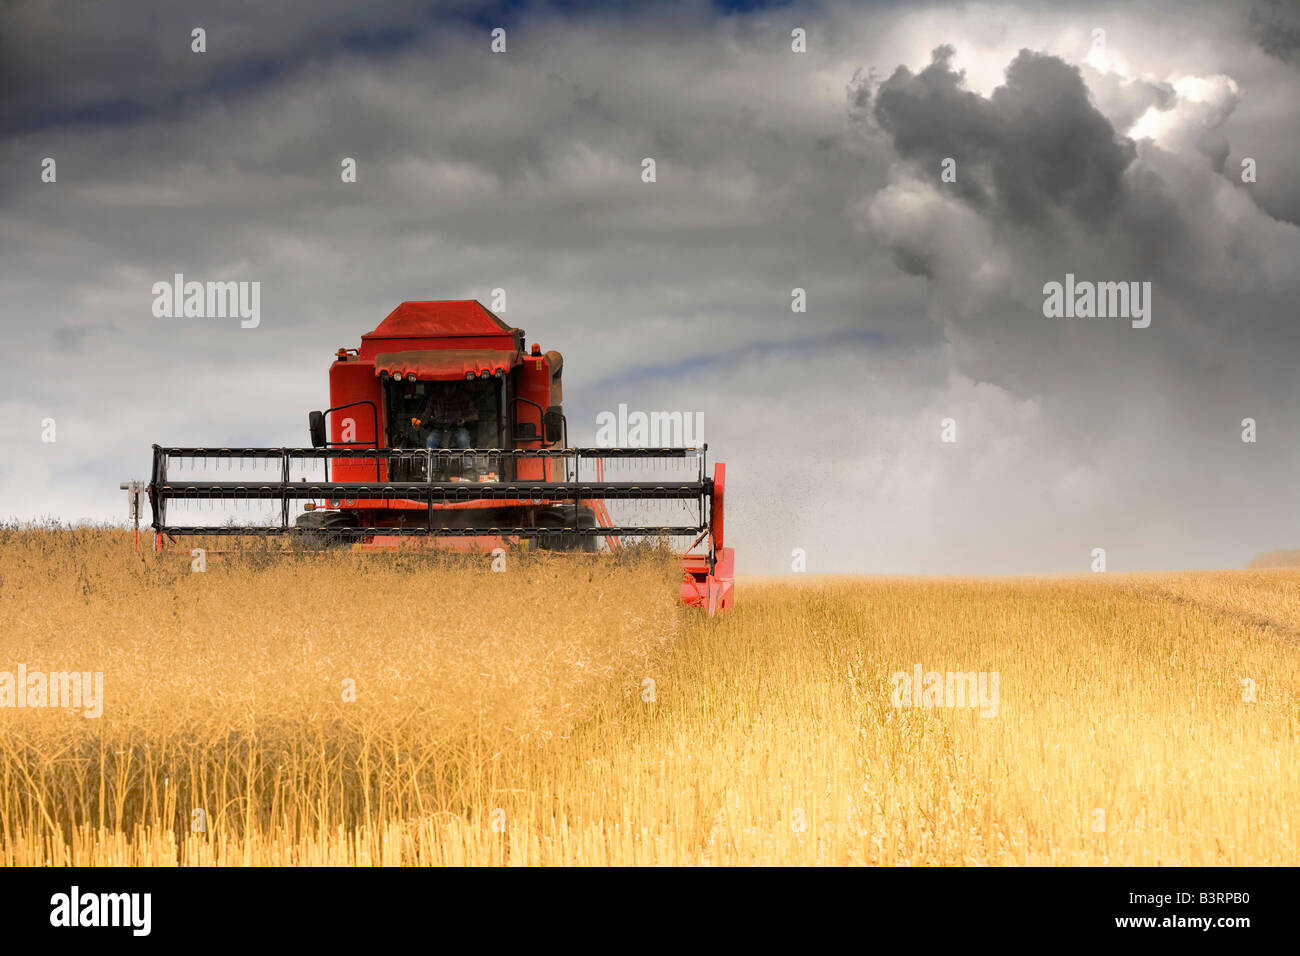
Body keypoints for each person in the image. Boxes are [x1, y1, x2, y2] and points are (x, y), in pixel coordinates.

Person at [414, 381, 479, 476]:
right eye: (447, 386)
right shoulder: (435, 397)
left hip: (456, 427)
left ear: (455, 385)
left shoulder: (462, 397)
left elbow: (475, 415)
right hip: (439, 427)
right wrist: (421, 422)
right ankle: (433, 470)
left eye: (452, 385)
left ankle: (468, 469)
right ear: (443, 385)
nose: (449, 388)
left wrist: (464, 419)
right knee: (430, 441)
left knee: (463, 439)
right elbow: (426, 414)